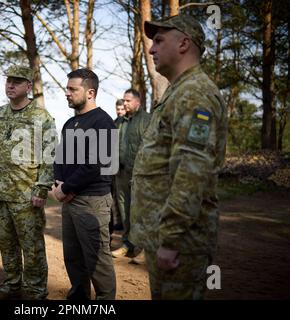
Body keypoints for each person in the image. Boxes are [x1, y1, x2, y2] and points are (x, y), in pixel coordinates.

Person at [129, 15, 228, 300]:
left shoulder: (195, 93)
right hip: (166, 235)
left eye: (159, 41)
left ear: (184, 43)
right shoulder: (178, 91)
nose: (151, 49)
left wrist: (171, 238)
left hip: (182, 241)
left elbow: (191, 170)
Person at [0, 65, 56, 300]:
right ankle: (12, 283)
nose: (10, 85)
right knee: (7, 243)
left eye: (17, 82)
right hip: (0, 193)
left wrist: (42, 188)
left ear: (28, 87)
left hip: (26, 195)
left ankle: (35, 290)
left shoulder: (40, 116)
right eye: (8, 81)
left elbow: (50, 155)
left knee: (31, 247)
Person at [54, 68, 117, 300]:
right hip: (70, 200)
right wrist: (59, 183)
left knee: (97, 260)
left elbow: (97, 163)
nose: (67, 93)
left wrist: (66, 188)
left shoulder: (103, 121)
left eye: (73, 89)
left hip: (92, 201)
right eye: (67, 88)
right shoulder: (70, 123)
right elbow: (60, 157)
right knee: (73, 257)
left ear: (90, 92)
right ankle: (79, 299)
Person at [111, 89, 150, 264]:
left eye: (127, 101)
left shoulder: (147, 120)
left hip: (141, 175)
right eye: (124, 101)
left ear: (137, 102)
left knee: (140, 212)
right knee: (124, 210)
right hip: (120, 174)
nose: (124, 104)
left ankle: (143, 249)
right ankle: (127, 245)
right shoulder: (118, 122)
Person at [109, 99, 127, 237]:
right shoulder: (114, 123)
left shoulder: (127, 123)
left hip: (125, 167)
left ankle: (127, 225)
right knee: (114, 197)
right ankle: (119, 221)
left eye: (121, 109)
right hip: (113, 166)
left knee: (124, 199)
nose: (119, 111)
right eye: (118, 109)